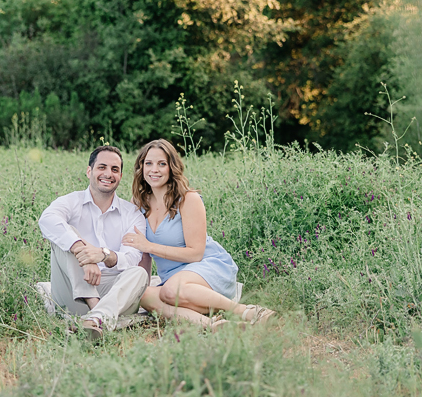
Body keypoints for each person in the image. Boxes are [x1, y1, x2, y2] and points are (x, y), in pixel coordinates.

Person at [122, 139, 275, 329]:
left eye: (162, 164)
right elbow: (142, 253)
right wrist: (139, 282)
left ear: (171, 167)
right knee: (144, 295)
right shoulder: (138, 203)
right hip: (172, 278)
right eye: (149, 163)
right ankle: (211, 324)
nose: (154, 169)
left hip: (206, 267)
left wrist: (150, 246)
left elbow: (195, 253)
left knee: (170, 291)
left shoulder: (188, 199)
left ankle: (246, 311)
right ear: (141, 167)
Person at [38, 145, 150, 341]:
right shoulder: (71, 201)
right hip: (72, 294)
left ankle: (95, 318)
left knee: (139, 272)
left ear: (120, 176)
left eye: (115, 169)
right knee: (67, 235)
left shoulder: (131, 214)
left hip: (115, 296)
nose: (108, 174)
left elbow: (132, 258)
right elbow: (47, 219)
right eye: (102, 167)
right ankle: (97, 310)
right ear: (89, 171)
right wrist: (84, 253)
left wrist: (104, 255)